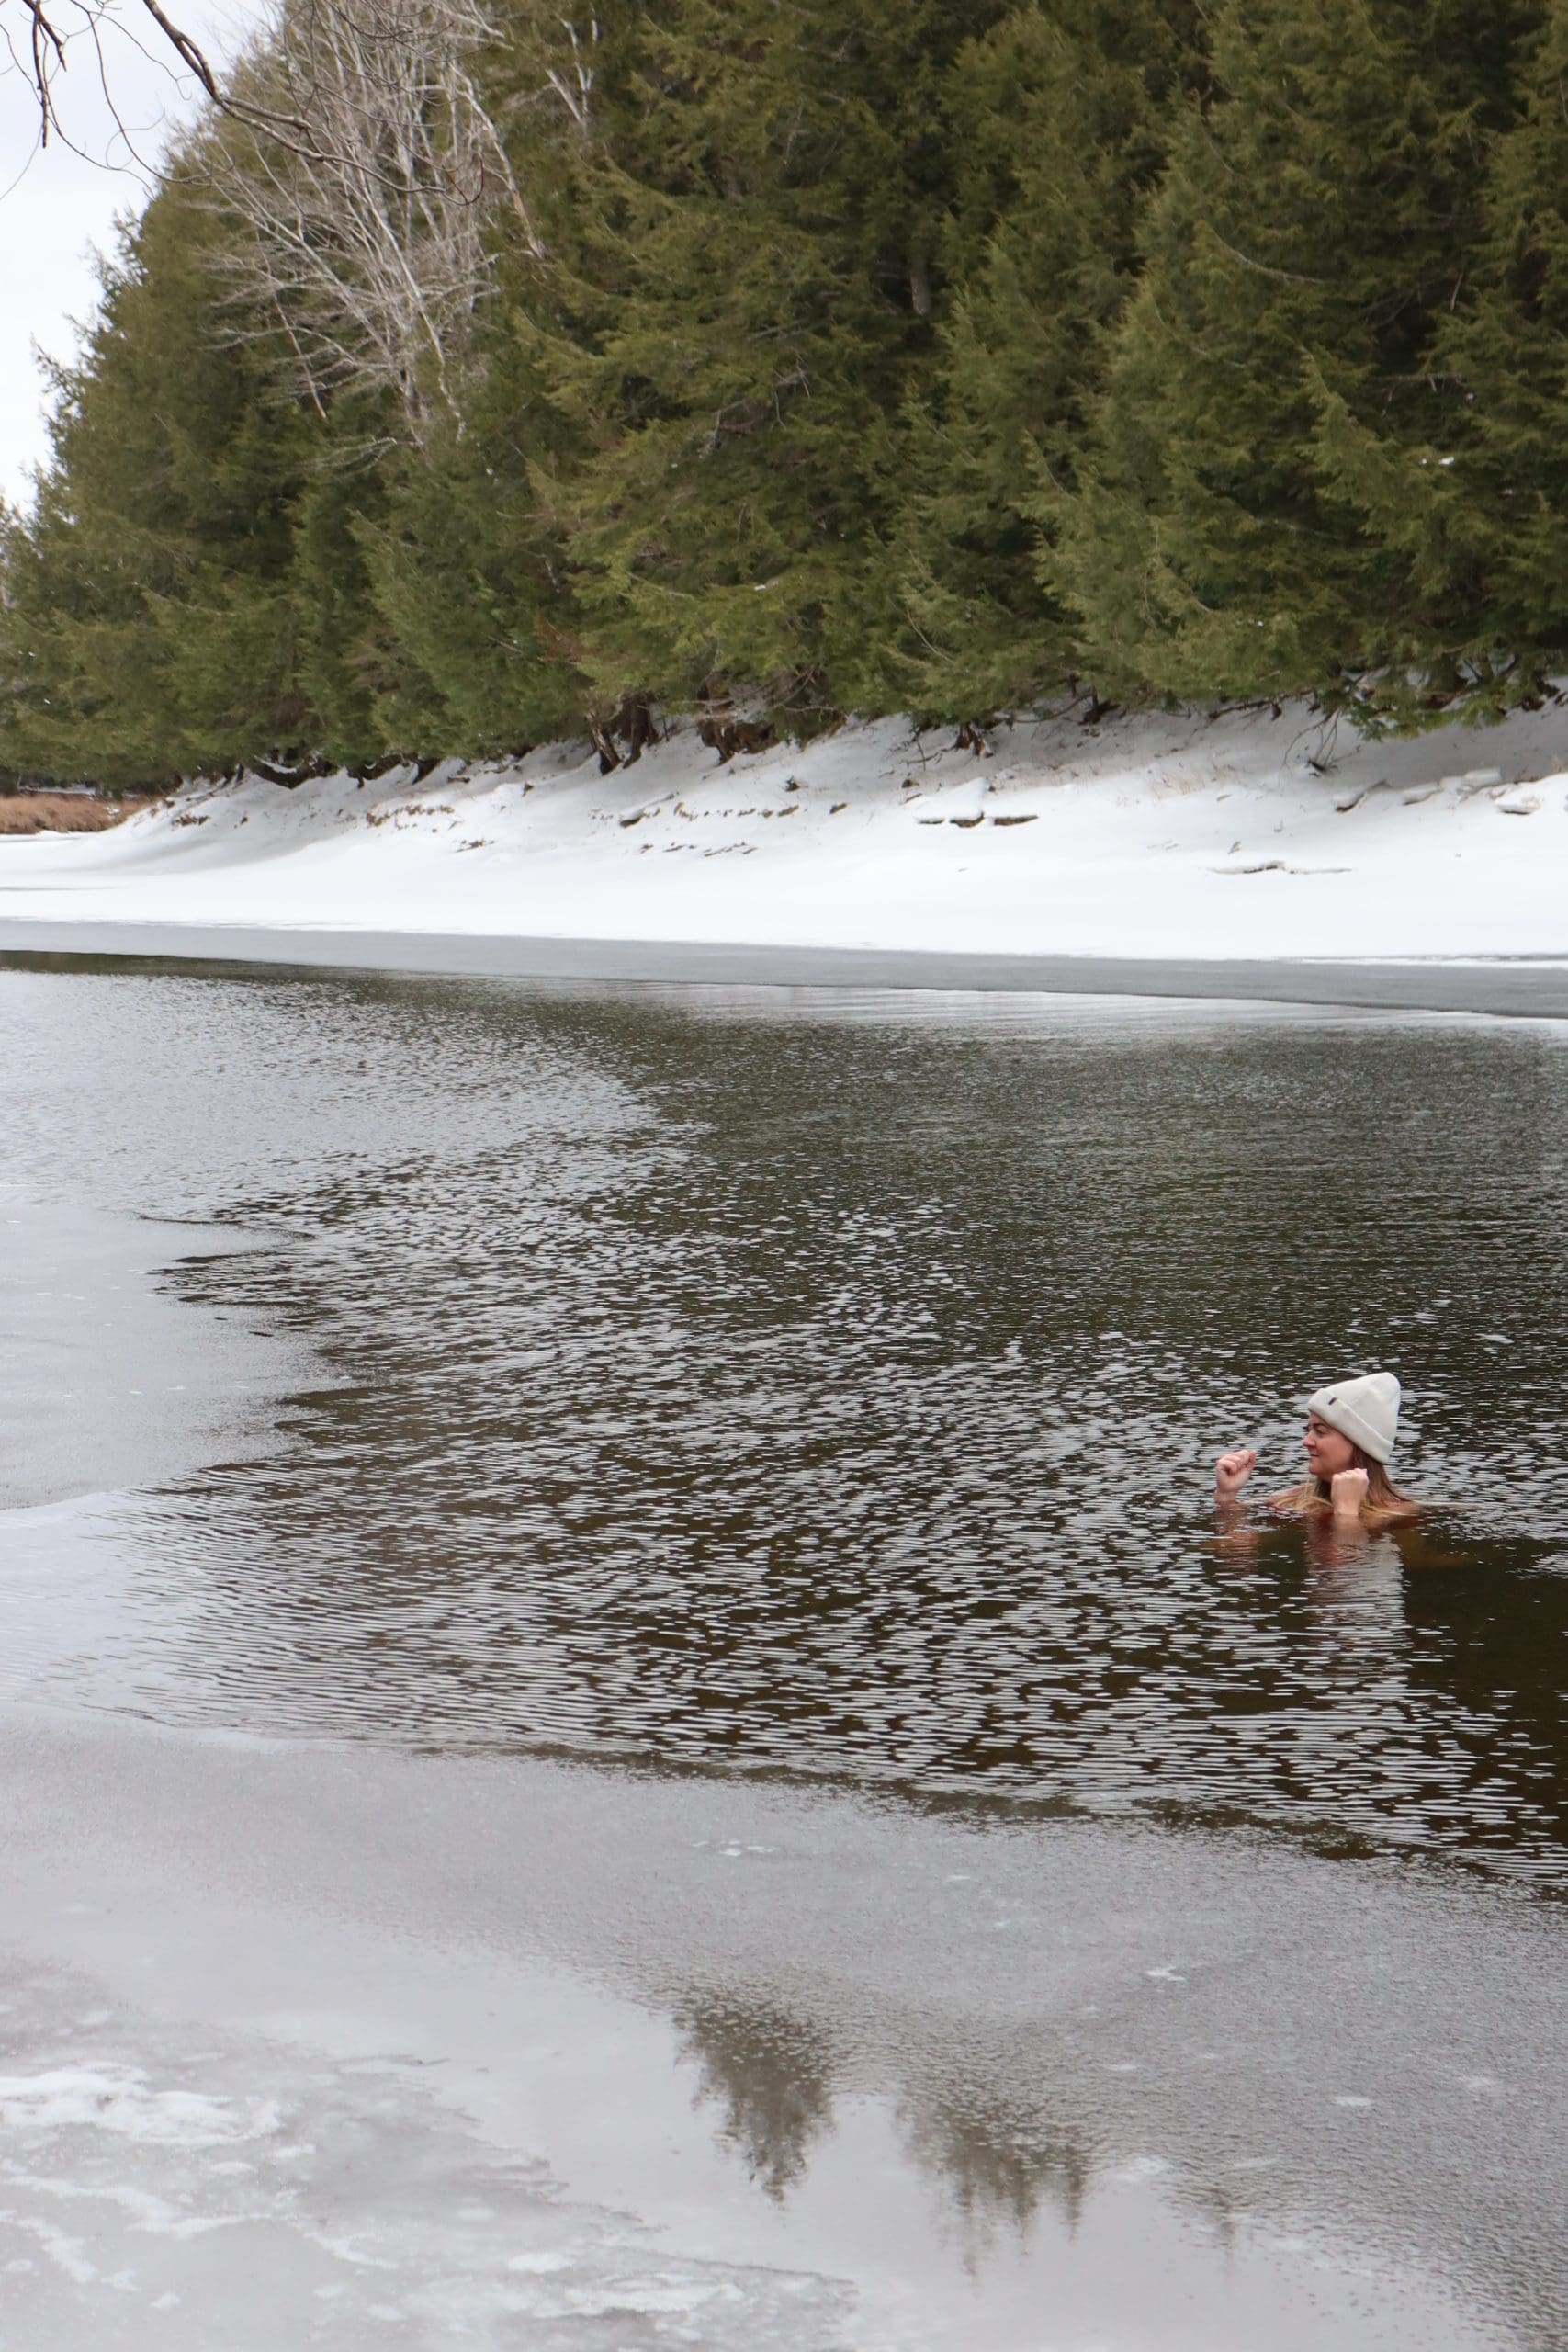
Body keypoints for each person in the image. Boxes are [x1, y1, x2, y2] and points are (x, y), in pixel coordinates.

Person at [1214, 1371, 1422, 1528]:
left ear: (1359, 1443)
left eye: (1320, 1432)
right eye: (1309, 1430)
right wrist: (1227, 1496)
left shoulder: (1401, 1517)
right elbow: (1236, 1557)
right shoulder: (1291, 1501)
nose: (1306, 1441)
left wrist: (1346, 1513)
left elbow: (1350, 1575)